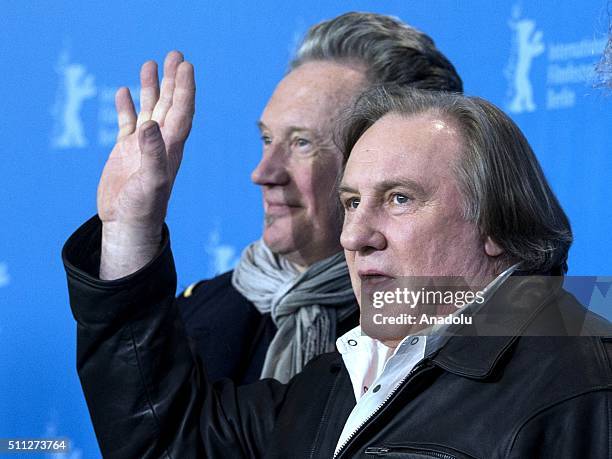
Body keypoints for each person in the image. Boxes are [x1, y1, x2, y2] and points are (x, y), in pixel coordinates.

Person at [64, 87, 612, 458]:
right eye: (350, 203)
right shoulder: (342, 377)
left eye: (399, 199)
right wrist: (130, 229)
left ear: (494, 223)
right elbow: (174, 441)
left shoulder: (585, 384)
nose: (355, 236)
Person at [87, 12, 463, 387]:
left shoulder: (461, 321)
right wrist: (127, 233)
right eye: (268, 139)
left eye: (302, 143)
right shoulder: (198, 314)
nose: (263, 173)